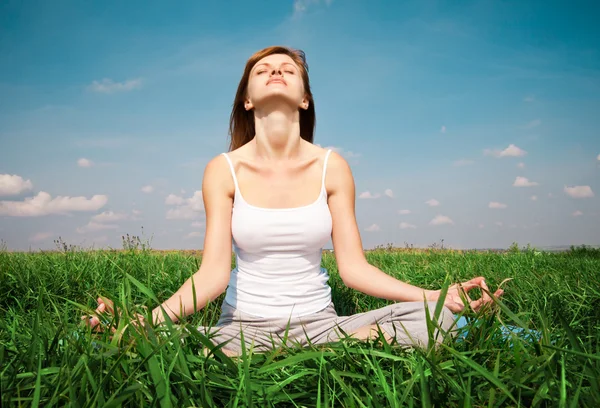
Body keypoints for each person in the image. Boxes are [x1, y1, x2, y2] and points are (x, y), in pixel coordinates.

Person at [82, 46, 504, 356]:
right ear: (247, 99)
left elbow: (353, 269)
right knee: (146, 344)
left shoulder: (332, 166)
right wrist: (141, 322)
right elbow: (212, 276)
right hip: (239, 331)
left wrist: (435, 296)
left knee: (440, 323)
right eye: (263, 69)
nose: (276, 71)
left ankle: (327, 346)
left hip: (322, 326)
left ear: (305, 98)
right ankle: (294, 352)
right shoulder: (223, 169)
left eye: (288, 68)